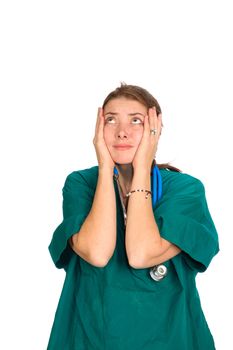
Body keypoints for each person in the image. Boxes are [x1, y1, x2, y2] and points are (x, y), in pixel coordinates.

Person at [47, 83, 219, 349]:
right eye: (111, 120)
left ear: (155, 130)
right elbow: (97, 252)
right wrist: (106, 169)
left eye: (136, 121)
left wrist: (142, 168)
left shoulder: (185, 189)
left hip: (171, 338)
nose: (122, 132)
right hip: (89, 339)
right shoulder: (81, 184)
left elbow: (141, 254)